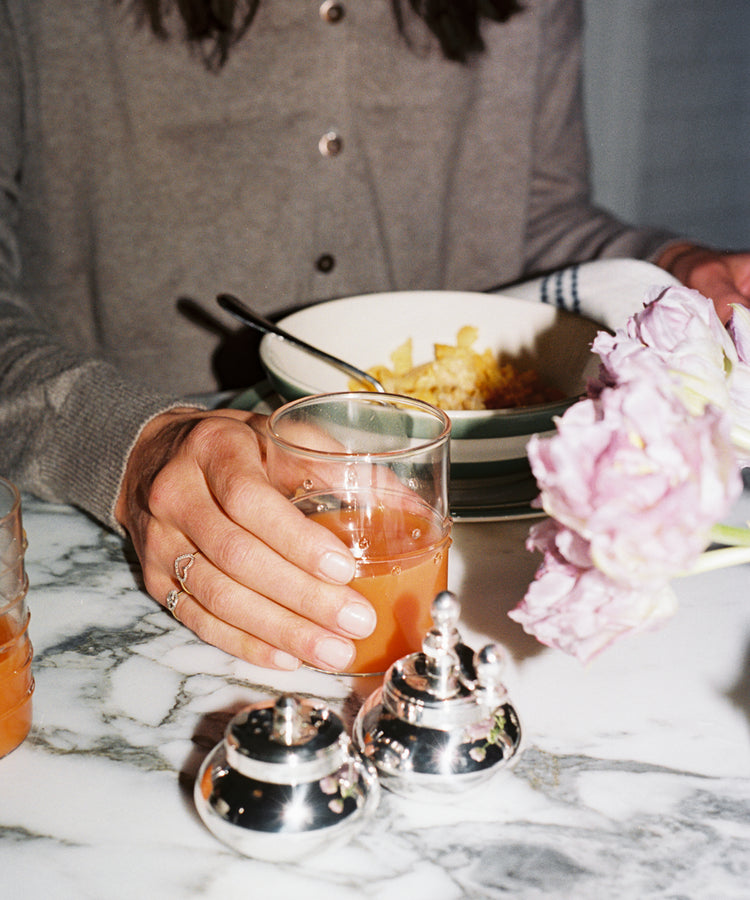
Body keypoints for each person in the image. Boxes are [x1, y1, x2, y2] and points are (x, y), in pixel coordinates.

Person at [1, 0, 749, 672]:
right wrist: (136, 445)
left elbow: (540, 216)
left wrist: (674, 266)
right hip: (127, 550)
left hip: (493, 543)